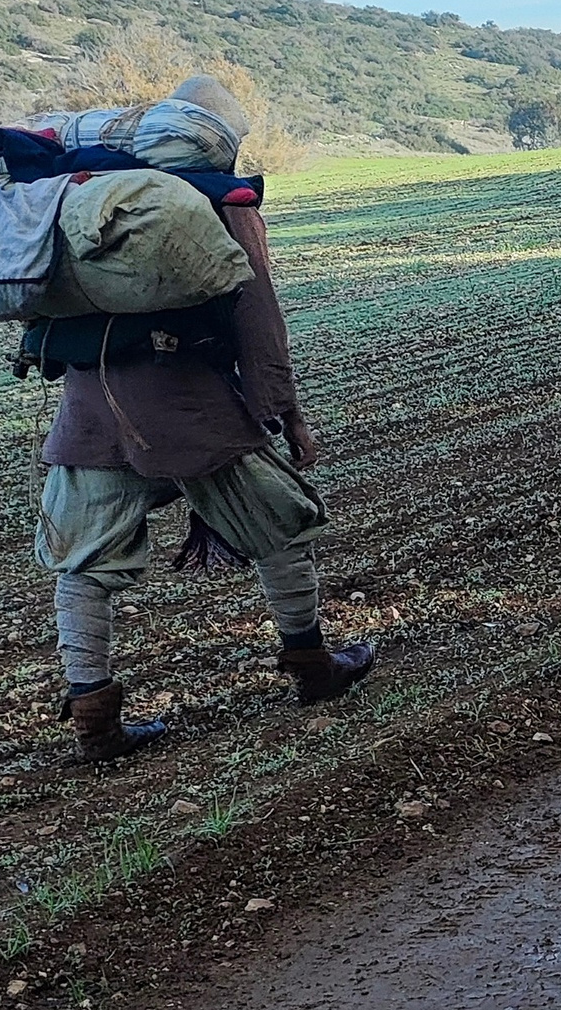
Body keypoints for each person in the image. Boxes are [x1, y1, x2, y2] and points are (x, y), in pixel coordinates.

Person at [28, 71, 377, 763]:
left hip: (89, 406)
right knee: (280, 523)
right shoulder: (223, 201)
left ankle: (94, 720)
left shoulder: (82, 198)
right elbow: (259, 321)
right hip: (187, 405)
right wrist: (288, 415)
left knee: (83, 563)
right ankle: (312, 668)